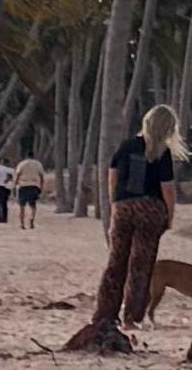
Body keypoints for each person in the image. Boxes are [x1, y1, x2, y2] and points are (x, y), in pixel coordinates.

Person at [69, 127, 173, 353]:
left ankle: (104, 313)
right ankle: (132, 316)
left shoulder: (126, 146)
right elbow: (167, 189)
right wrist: (170, 215)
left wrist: (115, 202)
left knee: (116, 262)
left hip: (124, 206)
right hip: (150, 208)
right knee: (141, 264)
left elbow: (112, 176)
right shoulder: (161, 151)